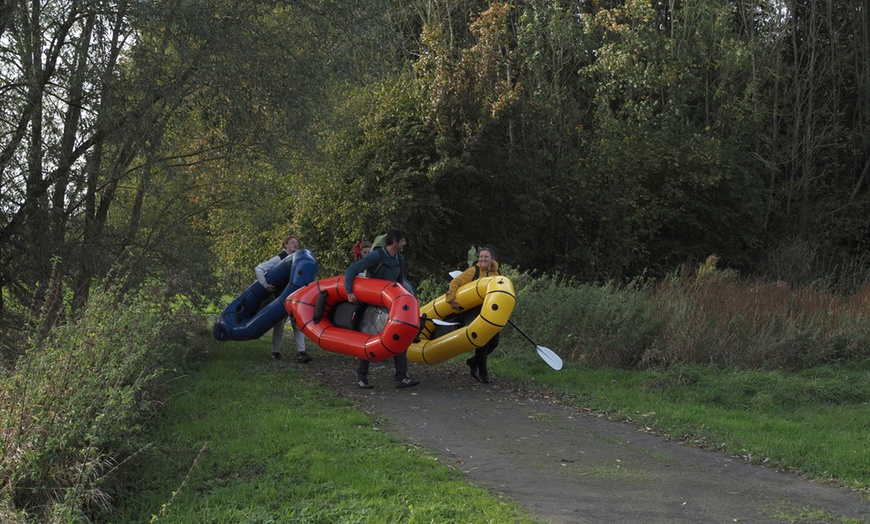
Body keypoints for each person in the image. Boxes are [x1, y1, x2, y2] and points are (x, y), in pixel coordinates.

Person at [345, 229, 420, 389]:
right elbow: (352, 270)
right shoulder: (376, 256)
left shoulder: (400, 258)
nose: (405, 244)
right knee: (368, 338)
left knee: (400, 337)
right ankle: (362, 377)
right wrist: (349, 292)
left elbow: (399, 283)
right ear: (395, 242)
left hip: (391, 306)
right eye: (403, 241)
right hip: (373, 306)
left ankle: (401, 376)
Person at [446, 246, 500, 383]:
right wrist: (451, 299)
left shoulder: (497, 274)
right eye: (481, 257)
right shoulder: (473, 271)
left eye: (486, 257)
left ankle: (473, 362)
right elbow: (455, 281)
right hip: (474, 312)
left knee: (494, 342)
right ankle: (483, 374)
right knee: (483, 341)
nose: (482, 259)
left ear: (492, 259)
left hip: (489, 311)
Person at [255, 235, 312, 363]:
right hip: (281, 298)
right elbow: (259, 268)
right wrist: (265, 285)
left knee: (297, 325)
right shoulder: (279, 258)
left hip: (295, 298)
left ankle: (301, 352)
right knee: (279, 326)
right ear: (285, 245)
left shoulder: (299, 259)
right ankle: (275, 352)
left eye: (297, 243)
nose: (295, 245)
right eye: (292, 243)